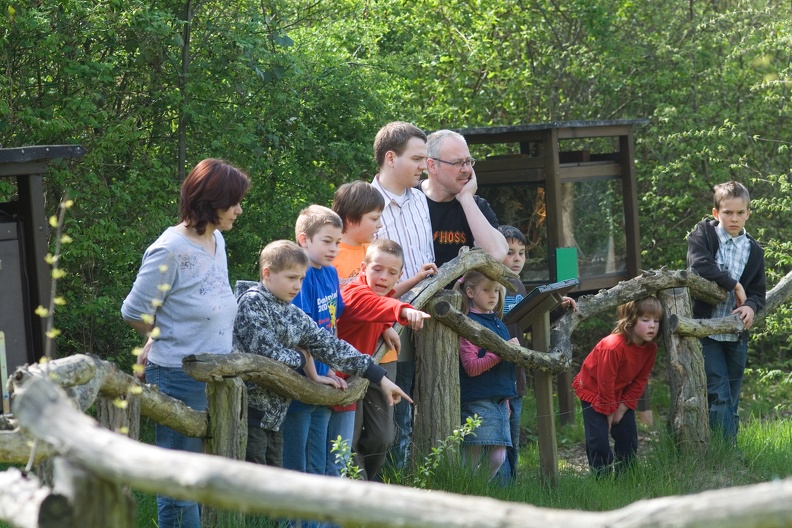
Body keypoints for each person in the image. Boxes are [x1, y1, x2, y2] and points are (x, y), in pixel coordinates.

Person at [121, 158, 250, 528]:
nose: (239, 210)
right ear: (211, 202)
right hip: (178, 376)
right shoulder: (169, 250)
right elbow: (133, 310)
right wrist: (158, 338)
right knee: (180, 486)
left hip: (217, 374)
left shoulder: (216, 239)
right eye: (235, 202)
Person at [233, 239, 410, 469]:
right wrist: (301, 357)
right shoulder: (253, 303)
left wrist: (380, 377)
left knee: (273, 486)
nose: (297, 286)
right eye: (291, 278)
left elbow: (329, 345)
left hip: (274, 416)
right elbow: (267, 356)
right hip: (250, 413)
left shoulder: (290, 310)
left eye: (301, 279)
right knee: (250, 486)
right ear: (267, 273)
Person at [370, 121, 438, 471]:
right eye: (417, 158)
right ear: (391, 158)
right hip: (386, 323)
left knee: (414, 406)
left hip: (425, 317)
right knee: (389, 408)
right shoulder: (365, 204)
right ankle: (383, 488)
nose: (424, 166)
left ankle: (407, 484)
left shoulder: (421, 201)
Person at [338, 239, 430, 480]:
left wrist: (385, 325)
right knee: (350, 438)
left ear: (399, 275)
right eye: (377, 269)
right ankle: (360, 495)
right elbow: (371, 304)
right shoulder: (353, 291)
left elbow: (380, 305)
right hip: (343, 377)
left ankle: (369, 484)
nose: (383, 277)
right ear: (362, 269)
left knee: (383, 436)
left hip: (371, 370)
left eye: (391, 272)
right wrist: (404, 311)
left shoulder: (382, 293)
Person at [495, 225, 577, 483]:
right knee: (497, 440)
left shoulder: (518, 285)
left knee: (514, 437)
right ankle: (499, 490)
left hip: (516, 377)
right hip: (491, 372)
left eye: (522, 253)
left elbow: (527, 323)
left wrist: (558, 309)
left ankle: (513, 487)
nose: (517, 258)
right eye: (510, 252)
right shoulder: (487, 283)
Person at [687, 181, 765, 443]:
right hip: (707, 330)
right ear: (715, 212)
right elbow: (699, 266)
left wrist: (751, 307)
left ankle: (725, 449)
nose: (734, 218)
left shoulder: (754, 250)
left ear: (748, 213)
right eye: (728, 212)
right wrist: (733, 284)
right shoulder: (704, 236)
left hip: (736, 333)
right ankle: (727, 452)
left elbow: (757, 292)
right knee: (718, 392)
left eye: (740, 213)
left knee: (731, 395)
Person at [282, 205, 348, 477]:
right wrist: (314, 375)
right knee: (296, 461)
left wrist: (329, 369)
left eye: (338, 242)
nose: (334, 249)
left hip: (322, 376)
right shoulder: (301, 277)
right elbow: (301, 334)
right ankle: (293, 520)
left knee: (318, 457)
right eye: (327, 241)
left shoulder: (331, 274)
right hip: (300, 379)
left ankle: (318, 520)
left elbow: (331, 324)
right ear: (303, 239)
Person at [327, 181, 385, 476]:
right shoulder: (330, 255)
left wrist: (385, 324)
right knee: (344, 434)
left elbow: (379, 297)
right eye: (374, 218)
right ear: (352, 219)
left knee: (381, 433)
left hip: (375, 354)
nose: (379, 224)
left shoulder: (372, 252)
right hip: (340, 358)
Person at [572, 296, 663, 476]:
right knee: (598, 439)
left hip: (620, 392)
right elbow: (605, 383)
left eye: (657, 321)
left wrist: (622, 408)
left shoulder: (650, 349)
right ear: (630, 321)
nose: (652, 325)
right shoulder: (613, 346)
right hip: (595, 391)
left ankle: (626, 476)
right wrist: (608, 413)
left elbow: (640, 380)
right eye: (645, 320)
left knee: (628, 437)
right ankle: (602, 478)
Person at [453, 270, 517, 479]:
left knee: (498, 456)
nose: (493, 295)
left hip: (499, 400)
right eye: (487, 290)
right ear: (470, 292)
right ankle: (467, 493)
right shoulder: (468, 323)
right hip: (478, 398)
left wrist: (506, 399)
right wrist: (504, 350)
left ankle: (477, 491)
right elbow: (471, 367)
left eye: (497, 291)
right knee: (473, 454)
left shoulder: (497, 322)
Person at [421, 129, 508, 267]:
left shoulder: (477, 206)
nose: (466, 170)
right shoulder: (409, 200)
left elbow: (497, 254)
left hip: (462, 289)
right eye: (457, 163)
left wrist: (466, 198)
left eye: (468, 161)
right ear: (432, 166)